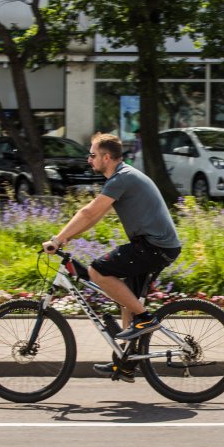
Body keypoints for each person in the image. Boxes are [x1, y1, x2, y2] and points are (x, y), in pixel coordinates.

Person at [42, 133, 181, 382]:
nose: (89, 159)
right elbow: (94, 217)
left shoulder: (122, 178)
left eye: (93, 155)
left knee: (97, 271)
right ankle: (125, 364)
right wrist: (68, 236)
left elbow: (88, 211)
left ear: (107, 157)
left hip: (153, 246)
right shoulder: (122, 177)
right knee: (126, 300)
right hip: (153, 245)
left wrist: (58, 239)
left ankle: (146, 319)